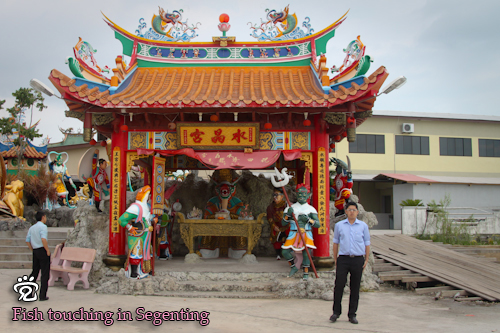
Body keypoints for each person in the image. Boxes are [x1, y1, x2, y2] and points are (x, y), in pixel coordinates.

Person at [330, 202, 370, 324]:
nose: (352, 212)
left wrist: (366, 259)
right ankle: (336, 312)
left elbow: (367, 243)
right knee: (339, 286)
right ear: (346, 211)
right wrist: (336, 258)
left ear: (357, 212)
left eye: (354, 210)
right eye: (349, 209)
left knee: (355, 287)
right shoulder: (339, 225)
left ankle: (352, 314)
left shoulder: (363, 226)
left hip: (358, 259)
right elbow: (336, 242)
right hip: (343, 259)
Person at [281, 184, 320, 280]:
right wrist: (288, 215)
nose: (301, 197)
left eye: (304, 195)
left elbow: (318, 225)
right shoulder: (290, 208)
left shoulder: (311, 209)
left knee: (307, 252)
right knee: (285, 251)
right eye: (299, 195)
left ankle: (305, 272)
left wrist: (308, 220)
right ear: (296, 195)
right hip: (293, 233)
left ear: (308, 196)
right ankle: (293, 266)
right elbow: (283, 223)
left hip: (306, 232)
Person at [118, 186, 156, 279]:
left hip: (146, 235)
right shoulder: (135, 207)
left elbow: (148, 218)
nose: (149, 196)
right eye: (147, 194)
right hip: (137, 235)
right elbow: (122, 219)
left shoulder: (147, 207)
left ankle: (144, 270)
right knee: (136, 253)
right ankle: (134, 272)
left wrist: (153, 219)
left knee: (147, 252)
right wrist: (130, 227)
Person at [26, 211, 50, 301]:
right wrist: (47, 250)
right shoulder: (43, 227)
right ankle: (42, 295)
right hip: (42, 250)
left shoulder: (32, 228)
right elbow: (43, 239)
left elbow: (27, 240)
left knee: (34, 272)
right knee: (45, 273)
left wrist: (32, 249)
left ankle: (28, 293)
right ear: (43, 217)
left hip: (35, 250)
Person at [266, 188, 289, 260]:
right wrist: (274, 225)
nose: (275, 197)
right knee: (275, 238)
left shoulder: (286, 206)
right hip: (276, 226)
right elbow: (270, 218)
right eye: (274, 195)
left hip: (286, 226)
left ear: (282, 196)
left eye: (277, 195)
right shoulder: (270, 207)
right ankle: (278, 254)